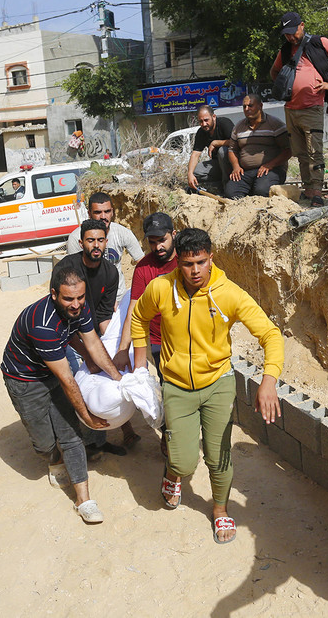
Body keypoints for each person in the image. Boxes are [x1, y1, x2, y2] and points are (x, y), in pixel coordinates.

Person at [130, 228, 284, 544]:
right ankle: (173, 475)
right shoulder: (161, 288)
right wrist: (139, 365)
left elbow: (271, 335)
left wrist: (268, 380)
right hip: (175, 386)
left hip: (218, 384)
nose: (195, 271)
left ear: (211, 257)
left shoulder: (229, 293)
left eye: (201, 262)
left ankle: (219, 509)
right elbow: (138, 318)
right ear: (179, 262)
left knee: (218, 456)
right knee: (184, 461)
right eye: (188, 264)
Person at [1, 264, 122, 523]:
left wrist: (118, 378)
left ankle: (84, 499)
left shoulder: (80, 305)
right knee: (44, 444)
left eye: (80, 297)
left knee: (71, 435)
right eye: (69, 298)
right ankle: (53, 458)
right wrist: (87, 417)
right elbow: (67, 378)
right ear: (54, 294)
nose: (76, 305)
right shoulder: (43, 325)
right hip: (25, 380)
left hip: (53, 373)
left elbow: (93, 345)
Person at [58, 219, 139, 452]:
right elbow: (63, 318)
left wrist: (111, 345)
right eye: (91, 240)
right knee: (77, 386)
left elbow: (104, 315)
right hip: (66, 334)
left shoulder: (111, 272)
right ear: (81, 242)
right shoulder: (67, 269)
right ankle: (87, 444)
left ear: (106, 241)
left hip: (91, 332)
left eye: (100, 240)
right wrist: (89, 355)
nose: (96, 245)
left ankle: (112, 434)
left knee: (109, 377)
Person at [270, 12, 328, 207]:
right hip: (291, 109)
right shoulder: (285, 50)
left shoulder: (319, 43)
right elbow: (274, 72)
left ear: (302, 25)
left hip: (312, 108)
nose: (291, 37)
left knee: (315, 151)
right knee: (300, 153)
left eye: (293, 32)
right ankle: (308, 190)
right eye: (286, 34)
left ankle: (317, 191)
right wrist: (285, 86)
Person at [113, 212, 178, 376]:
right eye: (152, 242)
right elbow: (133, 310)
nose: (158, 247)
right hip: (159, 342)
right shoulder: (143, 268)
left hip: (191, 338)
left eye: (162, 240)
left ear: (174, 234)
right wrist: (123, 349)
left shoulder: (188, 261)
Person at [66, 192, 145, 300]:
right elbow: (74, 275)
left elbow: (142, 263)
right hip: (90, 300)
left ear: (112, 211)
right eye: (98, 212)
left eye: (107, 211)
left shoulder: (122, 233)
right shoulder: (76, 238)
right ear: (89, 213)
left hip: (119, 298)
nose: (103, 216)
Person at [225, 94, 292, 199]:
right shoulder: (239, 127)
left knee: (262, 191)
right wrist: (236, 166)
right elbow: (232, 150)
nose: (247, 109)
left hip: (271, 170)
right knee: (231, 192)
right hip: (246, 171)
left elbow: (288, 150)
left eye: (250, 105)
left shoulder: (275, 124)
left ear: (260, 106)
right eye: (244, 106)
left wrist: (270, 165)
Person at [187, 105, 235, 193]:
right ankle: (217, 185)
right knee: (196, 171)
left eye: (206, 120)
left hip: (233, 163)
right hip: (218, 165)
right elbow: (195, 154)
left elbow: (237, 142)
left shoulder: (224, 123)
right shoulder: (201, 132)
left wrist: (216, 143)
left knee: (222, 151)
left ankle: (228, 185)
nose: (204, 124)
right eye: (201, 121)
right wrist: (190, 174)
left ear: (213, 117)